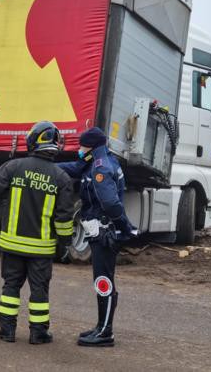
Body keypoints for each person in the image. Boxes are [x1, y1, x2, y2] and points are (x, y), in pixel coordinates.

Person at [0, 121, 76, 344]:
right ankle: (38, 334)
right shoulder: (62, 178)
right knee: (39, 292)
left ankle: (6, 331)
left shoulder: (14, 167)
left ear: (33, 140)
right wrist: (64, 244)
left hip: (11, 245)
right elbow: (64, 218)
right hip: (42, 249)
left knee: (10, 286)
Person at [58, 127, 137, 347]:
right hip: (102, 230)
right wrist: (47, 167)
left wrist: (124, 228)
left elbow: (110, 203)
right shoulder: (98, 160)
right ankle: (101, 327)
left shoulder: (100, 168)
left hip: (104, 232)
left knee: (103, 282)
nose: (79, 150)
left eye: (82, 146)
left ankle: (105, 333)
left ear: (91, 147)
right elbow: (74, 168)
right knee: (103, 280)